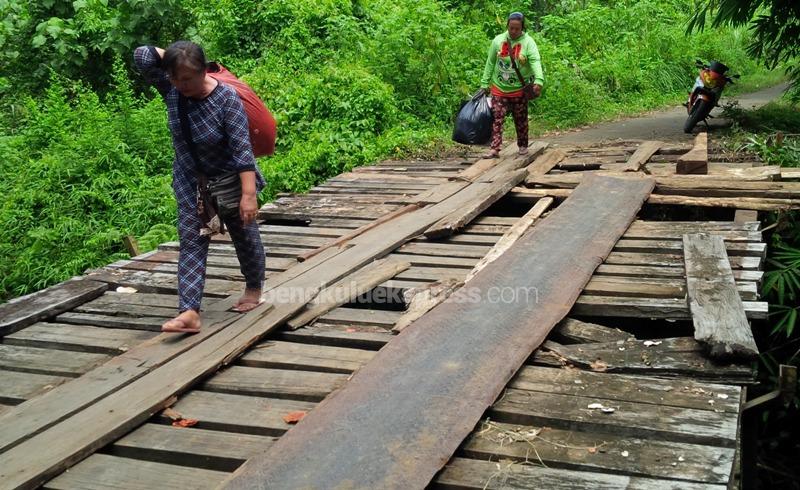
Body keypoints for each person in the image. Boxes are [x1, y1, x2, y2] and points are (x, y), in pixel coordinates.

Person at [133, 41, 266, 333]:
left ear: (204, 70)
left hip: (229, 177)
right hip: (191, 180)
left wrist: (248, 196)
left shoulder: (225, 99)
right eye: (176, 78)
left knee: (244, 235)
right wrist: (178, 58)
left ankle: (254, 288)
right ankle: (189, 311)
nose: (182, 85)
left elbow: (242, 150)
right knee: (192, 241)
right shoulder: (172, 90)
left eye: (188, 78)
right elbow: (142, 54)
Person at [480, 12, 544, 158]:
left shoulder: (528, 42)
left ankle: (522, 146)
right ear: (507, 26)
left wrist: (539, 80)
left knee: (520, 119)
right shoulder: (498, 40)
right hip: (499, 88)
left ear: (523, 28)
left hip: (519, 90)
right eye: (511, 28)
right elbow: (490, 63)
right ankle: (494, 149)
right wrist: (485, 83)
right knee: (497, 118)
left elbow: (535, 61)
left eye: (517, 29)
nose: (514, 31)